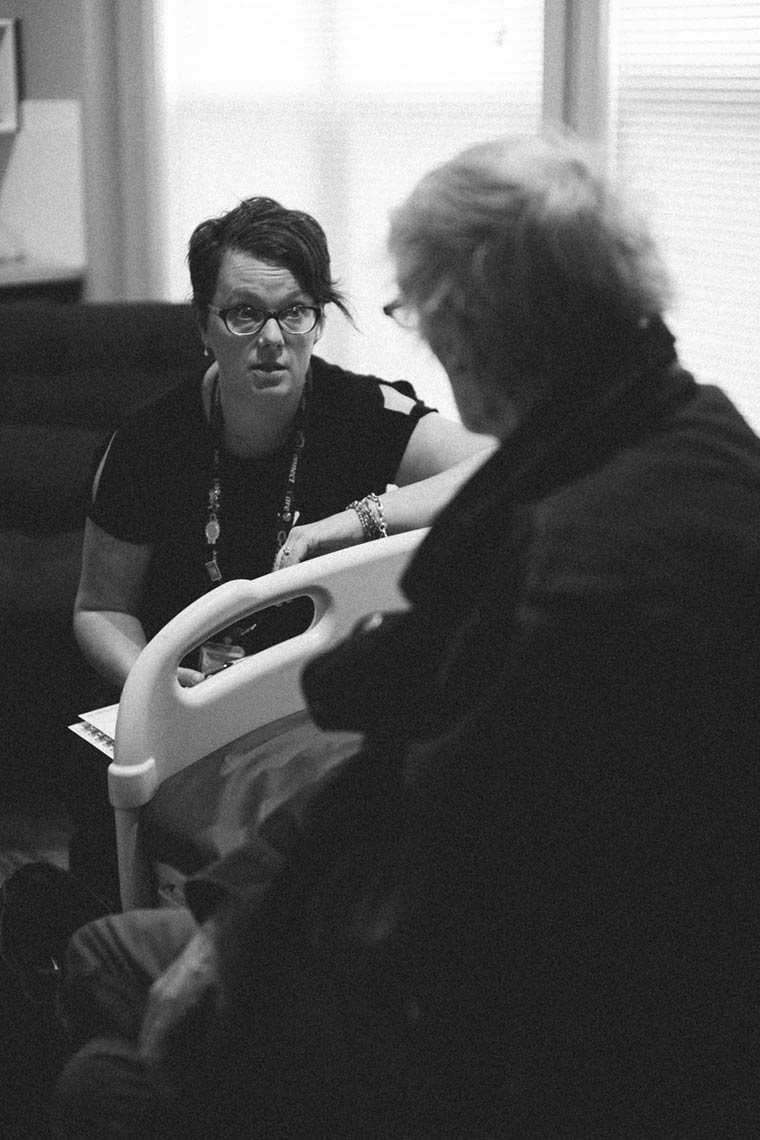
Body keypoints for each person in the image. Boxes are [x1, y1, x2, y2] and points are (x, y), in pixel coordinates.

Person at [52, 133, 760, 1137]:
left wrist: (243, 934)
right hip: (600, 965)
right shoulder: (704, 438)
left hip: (526, 1019)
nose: (276, 339)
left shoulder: (573, 562)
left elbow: (435, 855)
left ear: (477, 328)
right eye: (243, 314)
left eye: (414, 313)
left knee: (100, 1045)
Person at [66, 196, 493, 900]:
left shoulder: (359, 411)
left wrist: (362, 518)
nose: (273, 338)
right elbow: (99, 607)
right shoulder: (147, 443)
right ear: (205, 325)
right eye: (243, 313)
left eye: (295, 312)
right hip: (174, 704)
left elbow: (496, 463)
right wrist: (161, 681)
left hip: (297, 707)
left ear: (318, 320)